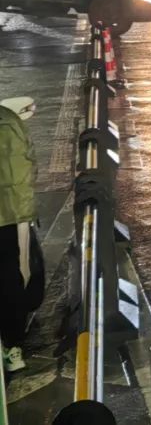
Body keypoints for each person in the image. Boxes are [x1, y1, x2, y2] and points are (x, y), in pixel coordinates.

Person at [1, 96, 38, 374]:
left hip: (10, 215)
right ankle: (13, 345)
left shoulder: (8, 121)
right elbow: (26, 170)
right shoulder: (9, 122)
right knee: (12, 278)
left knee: (11, 279)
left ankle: (12, 344)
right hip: (11, 216)